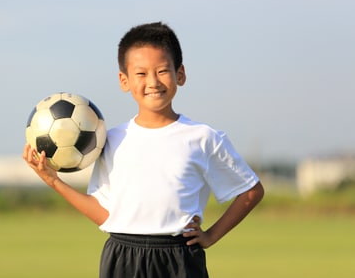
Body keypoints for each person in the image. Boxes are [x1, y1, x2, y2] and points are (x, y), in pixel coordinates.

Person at [23, 21, 264, 278]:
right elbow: (105, 214)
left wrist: (211, 236)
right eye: (141, 73)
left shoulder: (203, 138)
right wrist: (54, 181)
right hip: (122, 257)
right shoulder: (111, 140)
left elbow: (251, 190)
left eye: (162, 71)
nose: (153, 82)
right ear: (124, 80)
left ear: (179, 74)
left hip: (180, 257)